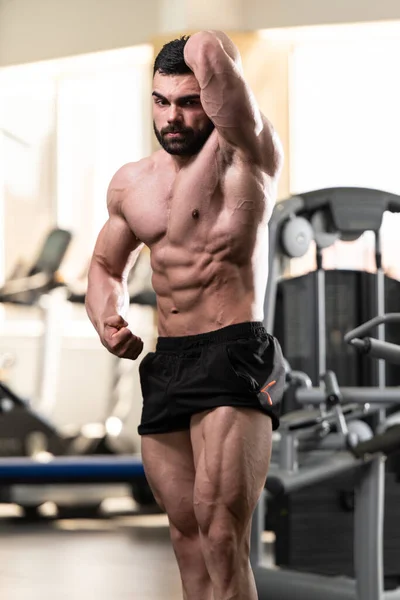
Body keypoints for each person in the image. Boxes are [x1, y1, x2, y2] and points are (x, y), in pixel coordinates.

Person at [85, 31, 285, 600]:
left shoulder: (250, 154)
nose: (172, 117)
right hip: (168, 361)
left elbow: (222, 73)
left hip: (233, 352)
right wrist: (108, 318)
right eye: (161, 101)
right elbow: (104, 267)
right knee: (186, 536)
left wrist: (198, 37)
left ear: (217, 100)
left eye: (190, 102)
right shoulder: (133, 184)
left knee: (222, 533)